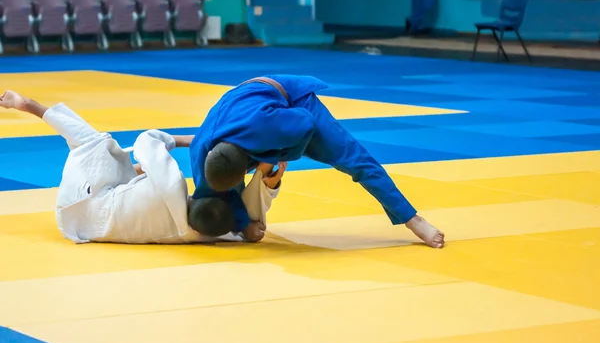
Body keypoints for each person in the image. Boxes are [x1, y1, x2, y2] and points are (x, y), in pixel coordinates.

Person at [189, 75, 445, 249]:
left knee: (357, 161)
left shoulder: (266, 128)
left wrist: (278, 157)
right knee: (227, 191)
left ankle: (413, 220)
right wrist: (244, 225)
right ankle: (241, 219)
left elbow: (305, 122)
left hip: (292, 103)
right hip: (245, 105)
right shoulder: (200, 155)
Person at [0, 90, 284, 244]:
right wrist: (268, 178)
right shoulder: (210, 232)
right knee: (129, 175)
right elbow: (249, 223)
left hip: (83, 201)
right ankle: (132, 171)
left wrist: (195, 140)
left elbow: (147, 140)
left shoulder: (173, 185)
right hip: (84, 226)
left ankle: (27, 105)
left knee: (93, 142)